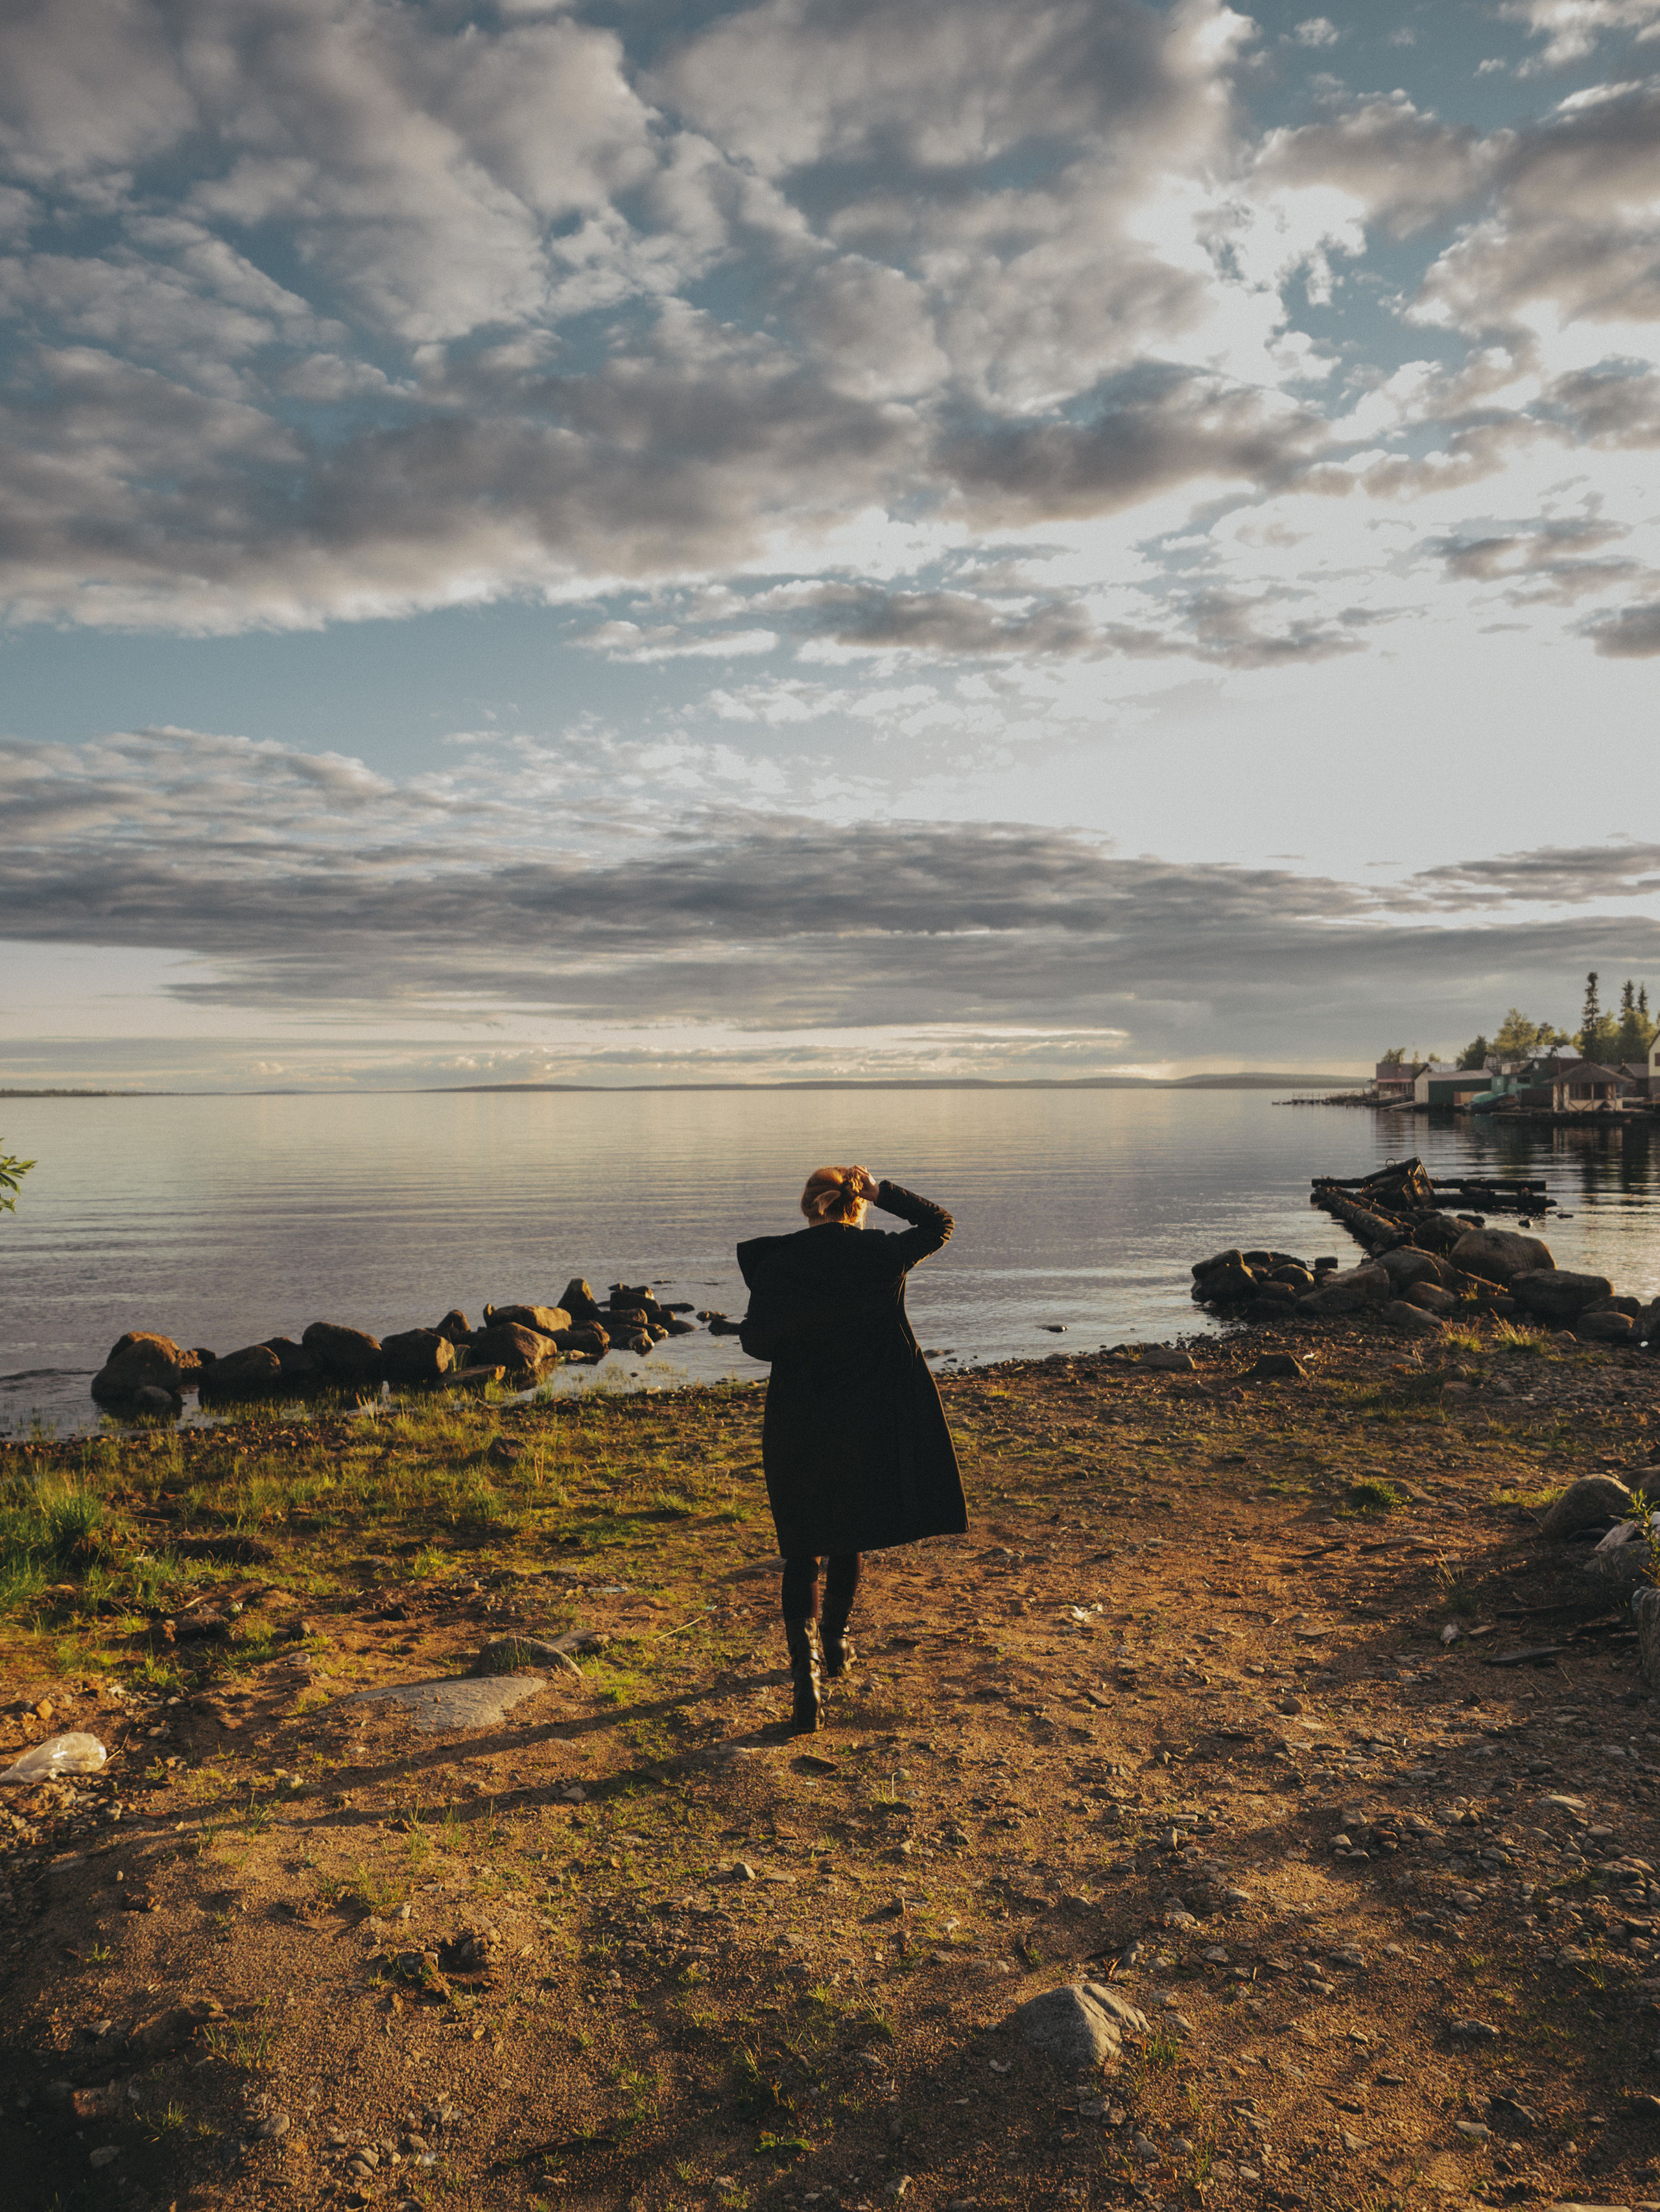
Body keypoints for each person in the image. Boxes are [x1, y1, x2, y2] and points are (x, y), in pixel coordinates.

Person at [737, 1164, 967, 1733]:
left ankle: (807, 1688)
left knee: (803, 1545)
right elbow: (940, 1223)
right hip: (868, 1413)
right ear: (855, 1206)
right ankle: (836, 1647)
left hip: (801, 1416)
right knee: (851, 1528)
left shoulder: (777, 1263)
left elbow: (756, 1343)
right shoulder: (881, 1255)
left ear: (807, 1207)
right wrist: (884, 1189)